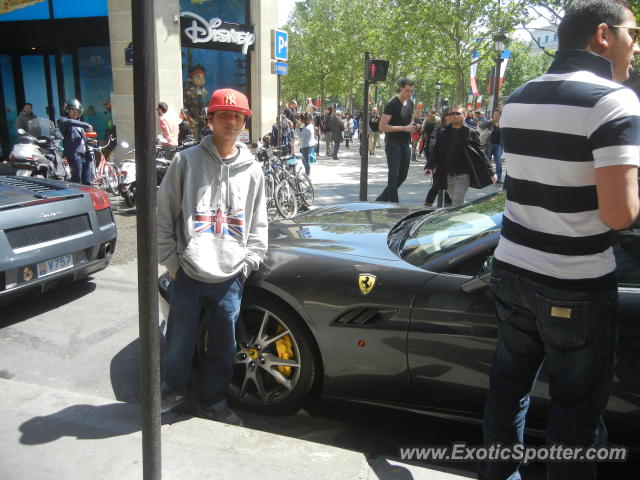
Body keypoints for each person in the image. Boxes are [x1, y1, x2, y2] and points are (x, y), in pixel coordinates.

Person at [480, 1, 640, 479]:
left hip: (511, 268)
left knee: (507, 391)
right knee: (575, 415)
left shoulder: (521, 96)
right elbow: (620, 213)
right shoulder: (614, 100)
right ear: (603, 35)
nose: (637, 44)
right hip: (575, 281)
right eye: (634, 32)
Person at [157, 88, 268, 427]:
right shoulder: (186, 161)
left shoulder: (253, 170)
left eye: (237, 116)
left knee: (223, 346)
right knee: (179, 342)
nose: (231, 121)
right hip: (188, 273)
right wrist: (173, 263)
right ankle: (171, 392)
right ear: (211, 120)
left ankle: (214, 401)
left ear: (244, 121)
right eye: (224, 115)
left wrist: (247, 264)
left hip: (230, 276)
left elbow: (259, 222)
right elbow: (163, 214)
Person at [425, 104, 495, 206]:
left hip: (463, 175)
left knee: (457, 201)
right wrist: (429, 166)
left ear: (464, 115)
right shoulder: (443, 133)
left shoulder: (470, 132)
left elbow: (480, 152)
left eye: (457, 113)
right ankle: (466, 212)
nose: (454, 115)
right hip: (447, 175)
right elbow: (436, 151)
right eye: (452, 113)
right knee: (455, 201)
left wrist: (491, 171)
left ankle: (456, 219)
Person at [375, 78, 418, 202]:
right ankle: (394, 206)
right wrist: (404, 128)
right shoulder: (391, 104)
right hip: (393, 144)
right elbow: (382, 127)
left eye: (411, 91)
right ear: (401, 89)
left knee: (403, 176)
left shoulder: (410, 103)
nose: (409, 94)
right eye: (407, 90)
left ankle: (381, 199)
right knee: (393, 176)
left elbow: (410, 122)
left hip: (406, 143)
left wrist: (413, 127)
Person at [57, 99, 94, 185]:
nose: (74, 112)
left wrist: (90, 141)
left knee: (87, 181)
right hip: (75, 155)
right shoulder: (63, 121)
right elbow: (70, 122)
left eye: (77, 111)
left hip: (85, 155)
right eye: (72, 110)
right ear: (67, 111)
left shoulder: (79, 125)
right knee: (76, 179)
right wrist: (87, 125)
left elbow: (82, 139)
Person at [423, 110, 452, 207]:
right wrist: (433, 165)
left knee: (449, 188)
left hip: (450, 163)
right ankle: (426, 208)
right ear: (444, 116)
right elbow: (432, 149)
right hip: (439, 163)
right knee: (435, 187)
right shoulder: (438, 129)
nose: (451, 116)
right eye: (448, 114)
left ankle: (447, 211)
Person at [480, 109, 503, 183]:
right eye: (495, 115)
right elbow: (481, 126)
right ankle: (488, 178)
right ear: (493, 115)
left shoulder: (502, 123)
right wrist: (489, 121)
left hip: (498, 145)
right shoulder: (490, 123)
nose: (497, 116)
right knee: (488, 162)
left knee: (498, 162)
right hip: (489, 145)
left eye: (498, 115)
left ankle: (498, 178)